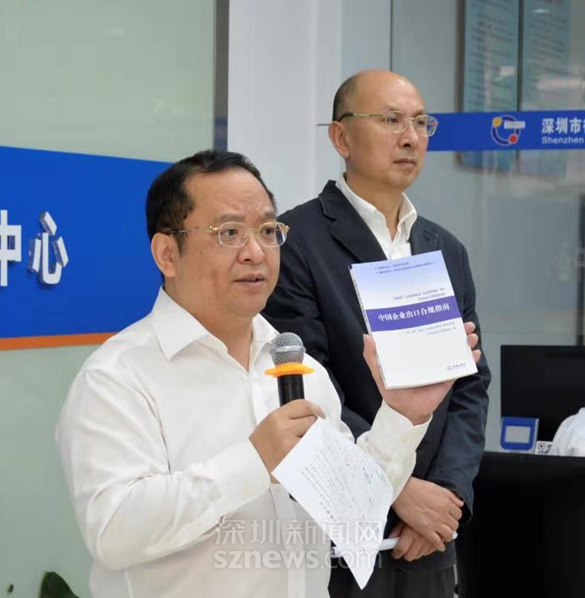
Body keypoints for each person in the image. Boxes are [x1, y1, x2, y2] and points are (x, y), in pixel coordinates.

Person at [56, 149, 481, 598]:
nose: (255, 252)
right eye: (229, 233)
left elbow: (354, 515)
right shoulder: (117, 377)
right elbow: (113, 531)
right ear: (167, 254)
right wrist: (254, 461)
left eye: (267, 230)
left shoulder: (300, 368)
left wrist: (402, 417)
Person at [264, 70, 491, 598]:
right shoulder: (297, 242)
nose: (411, 137)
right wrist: (397, 491)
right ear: (341, 137)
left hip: (432, 535)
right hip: (344, 534)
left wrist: (447, 494)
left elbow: (469, 385)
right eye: (391, 120)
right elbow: (305, 388)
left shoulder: (444, 248)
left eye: (421, 123)